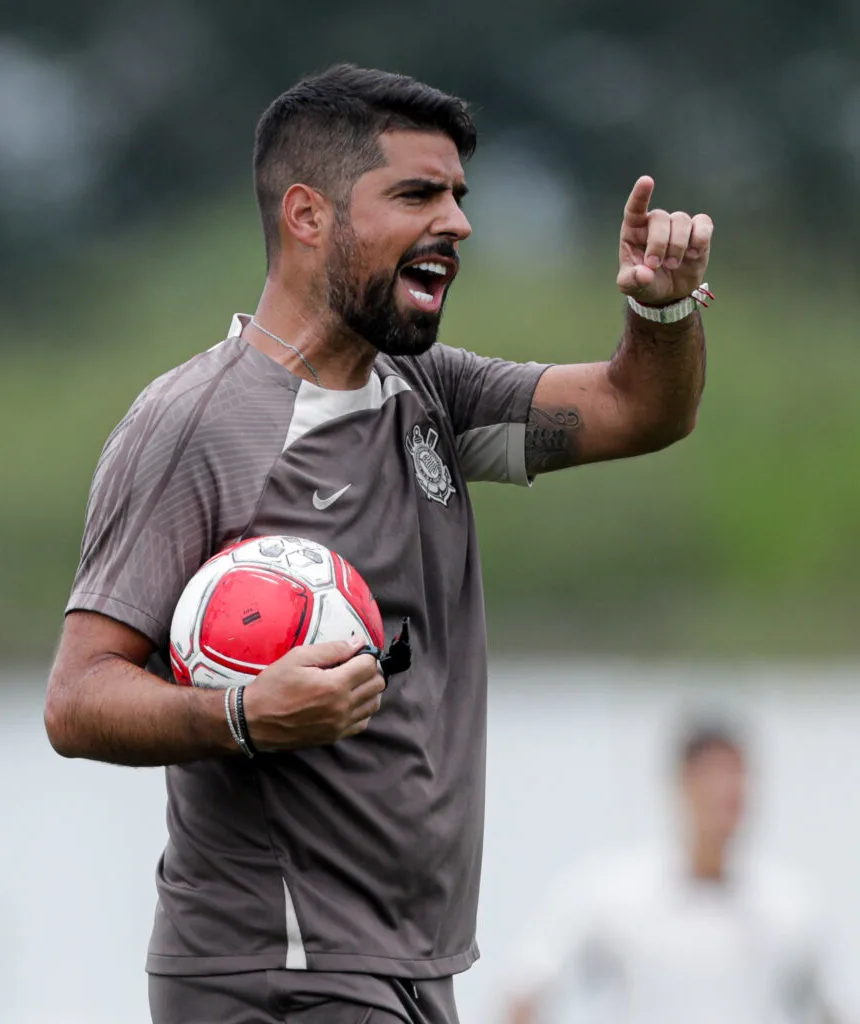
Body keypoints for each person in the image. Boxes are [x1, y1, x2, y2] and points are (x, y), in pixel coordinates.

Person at [44, 63, 713, 1024]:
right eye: (417, 194)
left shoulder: (430, 392)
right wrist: (244, 714)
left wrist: (662, 309)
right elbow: (77, 699)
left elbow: (641, 408)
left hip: (403, 967)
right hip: (276, 968)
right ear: (308, 216)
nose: (457, 222)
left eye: (459, 195)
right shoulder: (197, 425)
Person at [504, 718, 843, 1024]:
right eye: (710, 775)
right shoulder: (612, 893)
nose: (724, 791)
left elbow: (833, 1006)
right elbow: (526, 989)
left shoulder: (789, 905)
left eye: (734, 775)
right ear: (683, 784)